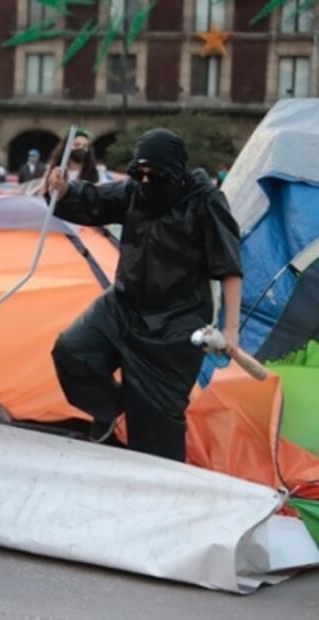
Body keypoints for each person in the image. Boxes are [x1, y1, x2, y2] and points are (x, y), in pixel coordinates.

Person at [46, 128, 243, 462]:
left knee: (155, 432)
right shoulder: (136, 191)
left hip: (175, 324)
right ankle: (111, 410)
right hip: (123, 305)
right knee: (73, 352)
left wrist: (232, 328)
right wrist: (64, 190)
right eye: (140, 173)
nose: (147, 181)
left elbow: (229, 267)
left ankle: (163, 496)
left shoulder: (205, 201)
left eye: (157, 175)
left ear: (177, 173)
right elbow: (95, 200)